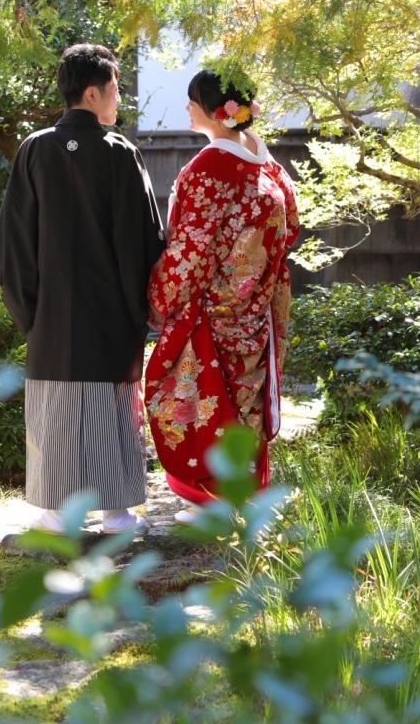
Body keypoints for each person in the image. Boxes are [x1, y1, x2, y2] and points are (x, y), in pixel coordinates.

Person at [0, 43, 165, 535]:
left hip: (51, 317)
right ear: (91, 93)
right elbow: (145, 240)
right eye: (115, 88)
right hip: (111, 316)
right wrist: (141, 309)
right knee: (111, 411)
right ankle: (117, 515)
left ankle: (54, 513)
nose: (119, 98)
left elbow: (15, 240)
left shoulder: (35, 148)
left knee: (56, 412)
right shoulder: (120, 153)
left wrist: (29, 312)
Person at [145, 70, 299, 522]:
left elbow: (191, 249)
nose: (186, 108)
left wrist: (159, 297)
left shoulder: (209, 168)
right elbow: (289, 227)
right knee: (244, 400)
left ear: (215, 112)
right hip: (257, 306)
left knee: (207, 404)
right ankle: (241, 502)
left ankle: (214, 505)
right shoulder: (267, 164)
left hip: (213, 310)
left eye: (191, 102)